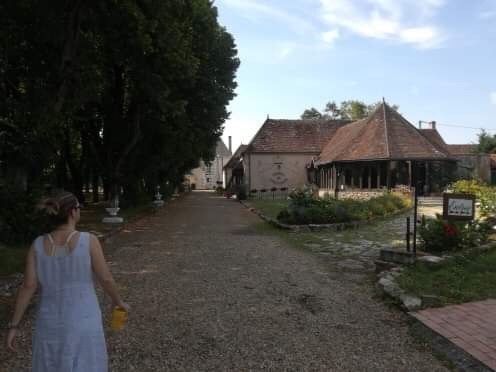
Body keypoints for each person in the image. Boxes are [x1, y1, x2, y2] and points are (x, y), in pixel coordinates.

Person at [5, 191, 128, 372]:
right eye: (78, 208)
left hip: (49, 323)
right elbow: (106, 278)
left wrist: (14, 325)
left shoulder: (37, 245)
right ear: (72, 212)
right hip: (83, 319)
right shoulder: (89, 241)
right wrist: (118, 302)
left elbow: (28, 286)